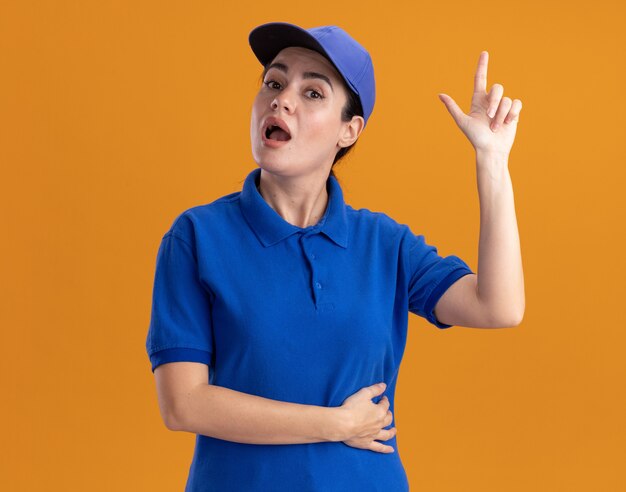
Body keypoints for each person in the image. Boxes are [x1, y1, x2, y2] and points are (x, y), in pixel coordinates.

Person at [145, 21, 524, 492]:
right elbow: (183, 404)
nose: (282, 99)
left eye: (313, 93)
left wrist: (492, 163)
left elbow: (499, 307)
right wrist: (337, 424)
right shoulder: (197, 238)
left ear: (350, 129)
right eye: (275, 83)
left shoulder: (384, 243)